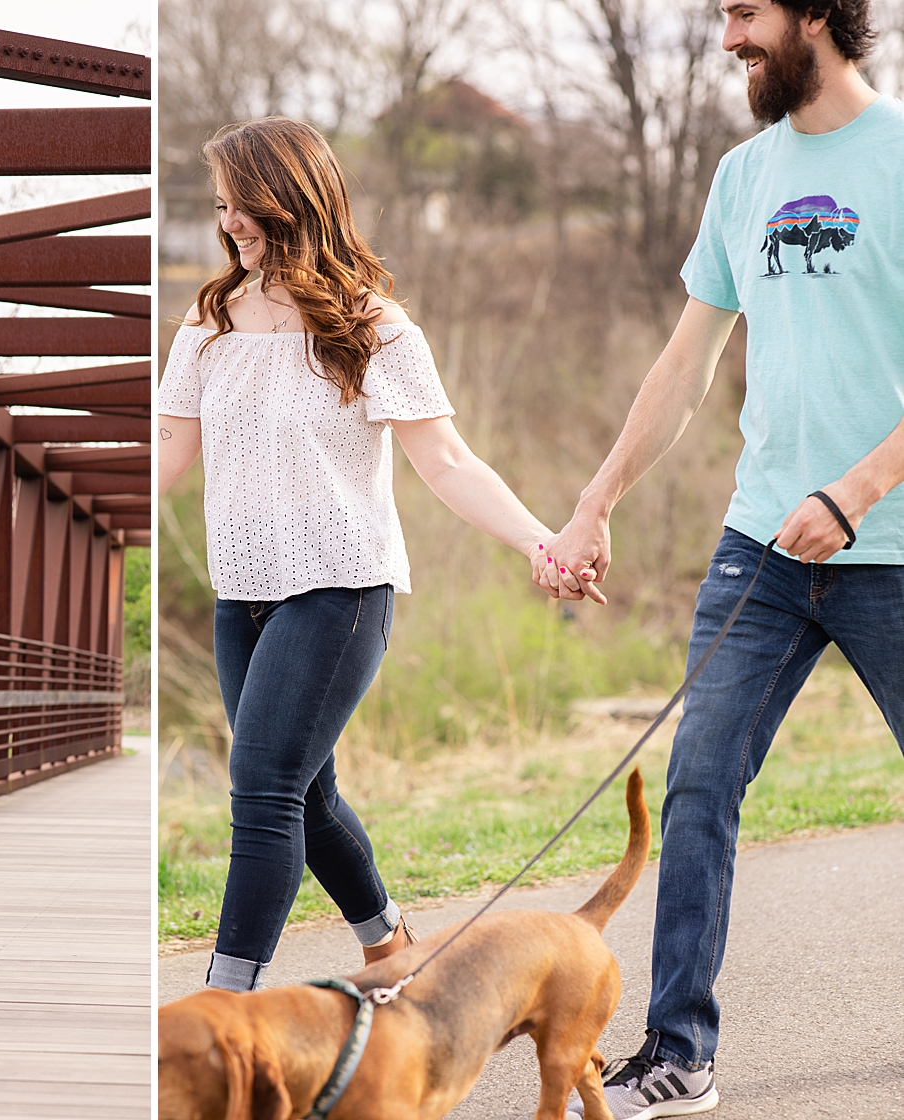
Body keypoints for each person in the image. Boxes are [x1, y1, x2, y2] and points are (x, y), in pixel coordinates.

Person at [545, 3, 903, 1116]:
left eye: (745, 13)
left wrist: (855, 491)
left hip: (887, 544)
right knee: (698, 780)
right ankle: (678, 1049)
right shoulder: (742, 177)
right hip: (760, 545)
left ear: (816, 12)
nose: (727, 38)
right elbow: (688, 361)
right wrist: (597, 500)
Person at [157, 116, 562, 993]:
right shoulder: (209, 320)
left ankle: (223, 1011)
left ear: (291, 199)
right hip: (244, 593)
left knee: (261, 785)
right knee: (304, 792)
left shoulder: (372, 324)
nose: (229, 224)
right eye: (221, 207)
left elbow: (447, 461)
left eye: (242, 206)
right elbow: (168, 455)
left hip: (341, 588)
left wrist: (541, 540)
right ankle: (390, 944)